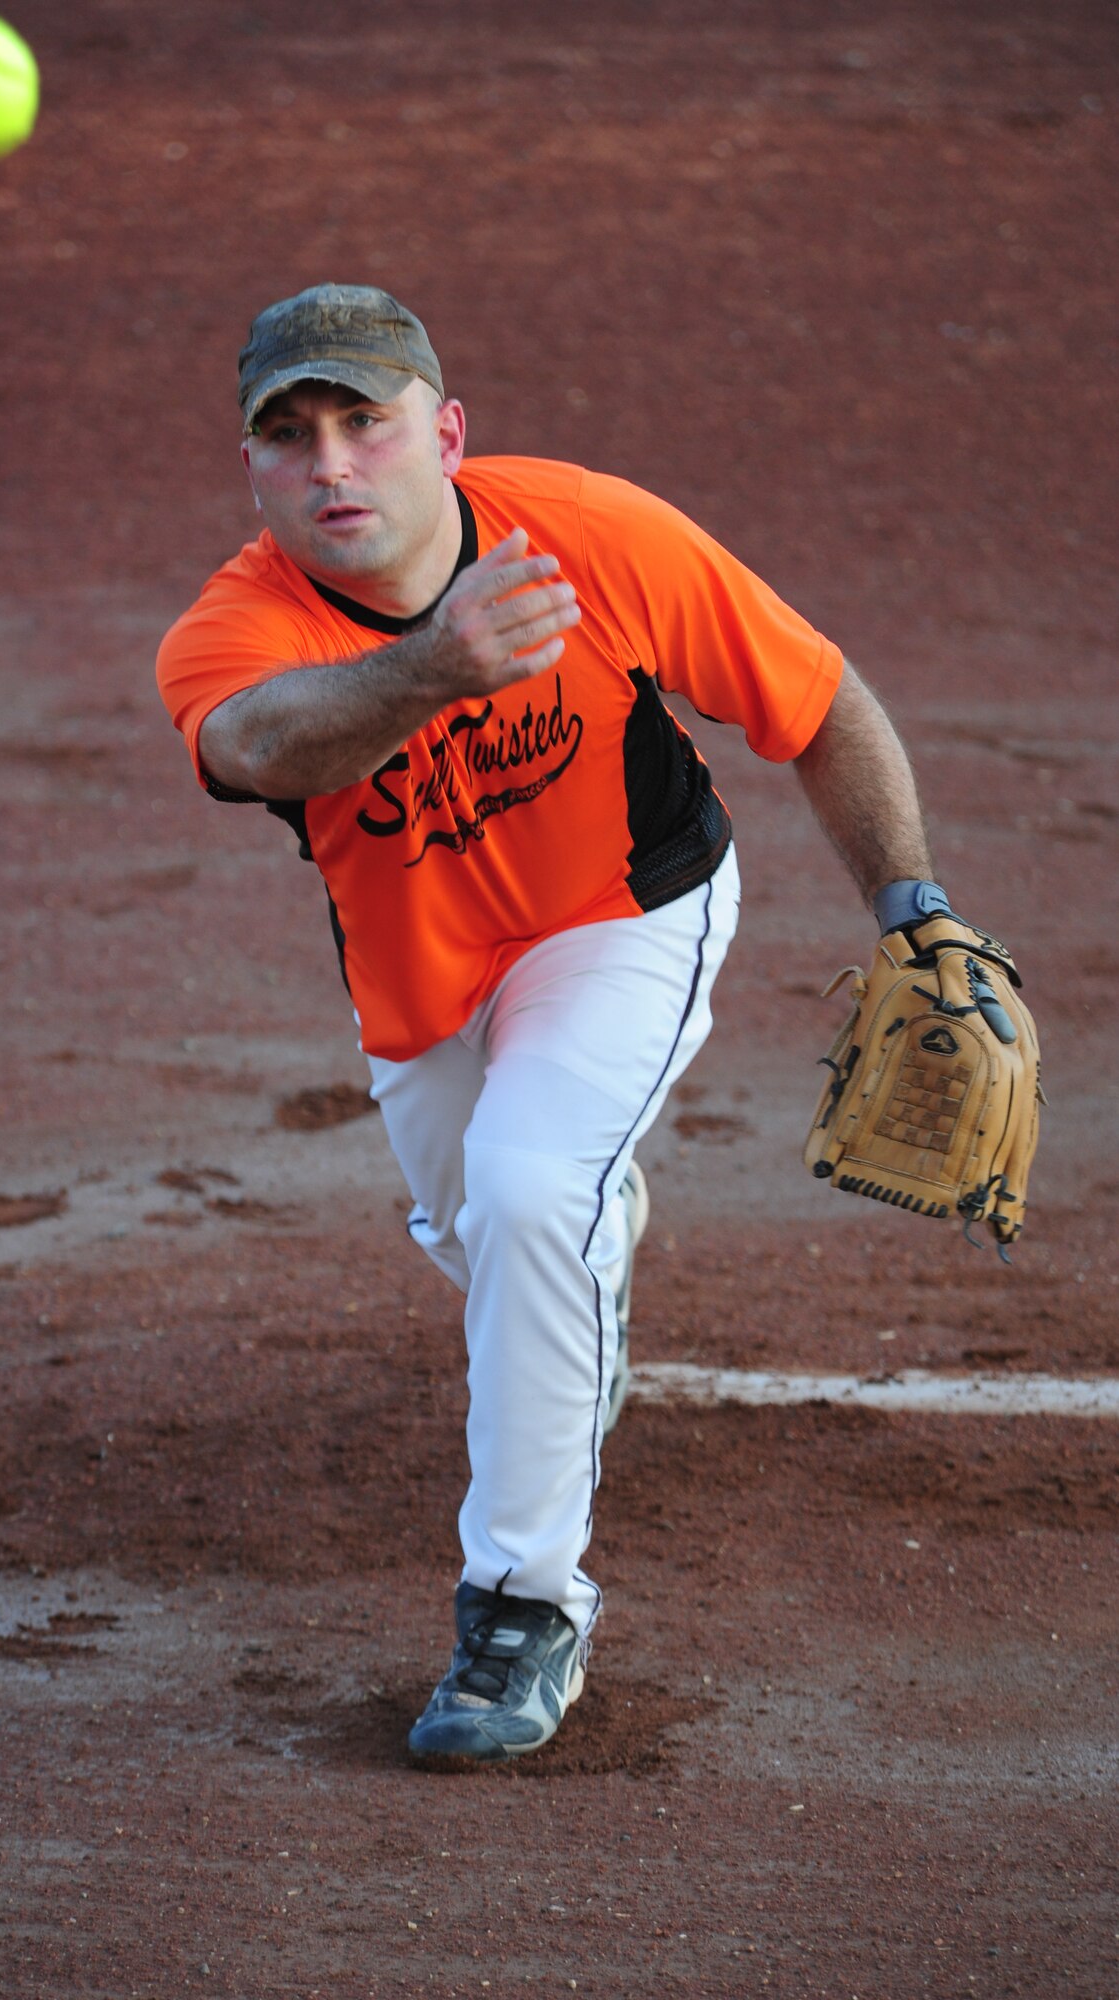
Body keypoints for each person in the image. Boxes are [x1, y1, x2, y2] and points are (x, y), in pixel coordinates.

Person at [156, 283, 947, 1767]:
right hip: (426, 987)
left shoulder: (592, 534)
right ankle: (596, 1238)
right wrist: (437, 664)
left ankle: (523, 1610)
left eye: (366, 423)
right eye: (291, 435)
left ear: (444, 434)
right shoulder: (238, 626)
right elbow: (251, 744)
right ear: (253, 468)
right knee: (499, 1238)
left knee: (531, 1193)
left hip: (629, 914)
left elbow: (823, 706)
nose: (333, 465)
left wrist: (912, 904)